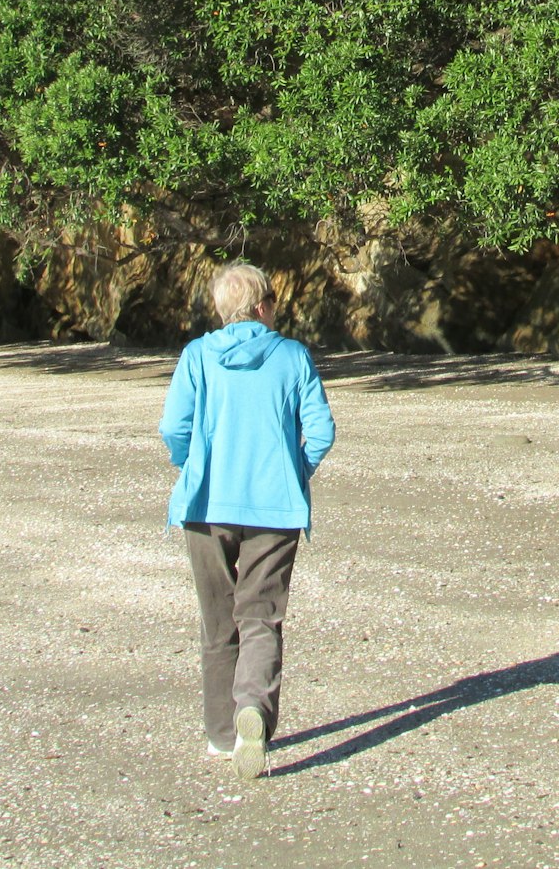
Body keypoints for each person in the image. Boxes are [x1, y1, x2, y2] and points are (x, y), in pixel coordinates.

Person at [159, 261, 335, 781]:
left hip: (205, 507)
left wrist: (191, 466)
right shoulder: (293, 357)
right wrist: (293, 472)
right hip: (273, 510)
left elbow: (174, 428)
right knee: (260, 617)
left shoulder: (196, 357)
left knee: (218, 623)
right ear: (263, 306)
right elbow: (321, 432)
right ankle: (252, 707)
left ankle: (221, 735)